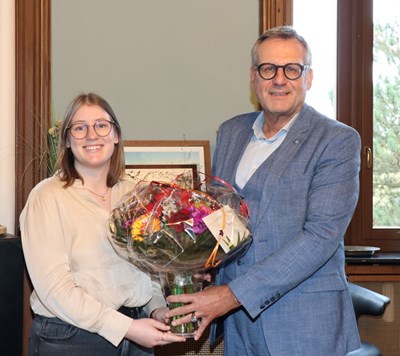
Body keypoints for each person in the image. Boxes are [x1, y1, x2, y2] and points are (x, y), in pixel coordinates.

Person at [166, 26, 362, 355]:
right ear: (253, 78)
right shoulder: (231, 132)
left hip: (305, 326)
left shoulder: (337, 141)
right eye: (268, 69)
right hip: (239, 327)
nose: (279, 80)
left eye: (292, 69)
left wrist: (230, 295)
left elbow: (320, 238)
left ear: (309, 78)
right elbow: (219, 218)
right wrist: (194, 262)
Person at [20, 93, 185, 355]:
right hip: (71, 338)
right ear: (67, 140)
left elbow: (148, 269)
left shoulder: (136, 195)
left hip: (137, 331)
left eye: (101, 125)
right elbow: (55, 291)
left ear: (116, 135)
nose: (91, 135)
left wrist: (157, 308)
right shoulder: (47, 197)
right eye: (79, 128)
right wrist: (127, 328)